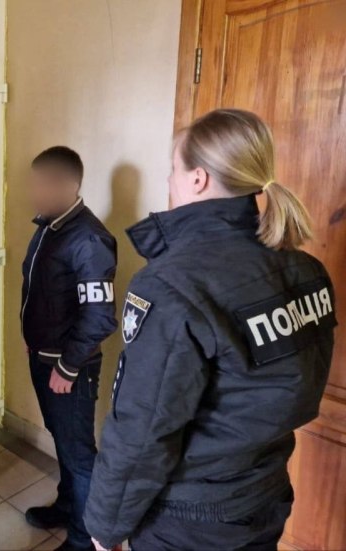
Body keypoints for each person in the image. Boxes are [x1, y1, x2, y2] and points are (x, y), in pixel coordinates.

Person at [85, 109, 335, 550]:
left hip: (188, 519)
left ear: (198, 179)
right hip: (263, 495)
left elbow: (143, 429)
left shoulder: (171, 284)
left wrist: (105, 528)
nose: (169, 181)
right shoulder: (306, 270)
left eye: (173, 169)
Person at [21, 146, 118, 551]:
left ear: (71, 185)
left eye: (43, 184)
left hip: (69, 369)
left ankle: (83, 538)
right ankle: (67, 506)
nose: (35, 192)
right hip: (44, 359)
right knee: (63, 441)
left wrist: (68, 365)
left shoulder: (89, 239)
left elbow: (100, 317)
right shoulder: (49, 226)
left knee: (79, 455)